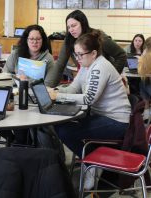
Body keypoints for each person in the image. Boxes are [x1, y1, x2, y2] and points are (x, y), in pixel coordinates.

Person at [49, 31, 131, 190]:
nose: (77, 58)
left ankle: (91, 163)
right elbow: (74, 87)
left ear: (93, 53)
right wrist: (54, 91)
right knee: (62, 126)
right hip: (103, 117)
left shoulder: (100, 67)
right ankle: (92, 158)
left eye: (80, 54)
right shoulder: (87, 66)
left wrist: (59, 97)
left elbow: (88, 99)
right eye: (76, 54)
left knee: (65, 131)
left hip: (117, 122)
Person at [51, 10, 127, 87]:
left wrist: (110, 78)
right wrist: (49, 88)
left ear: (83, 24)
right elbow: (60, 65)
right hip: (87, 80)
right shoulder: (69, 40)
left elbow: (121, 55)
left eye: (74, 25)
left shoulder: (98, 37)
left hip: (105, 80)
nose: (71, 30)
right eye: (68, 27)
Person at [138, 37, 151, 119]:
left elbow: (140, 72)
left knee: (142, 83)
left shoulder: (145, 55)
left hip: (147, 85)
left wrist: (140, 59)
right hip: (147, 83)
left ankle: (146, 114)